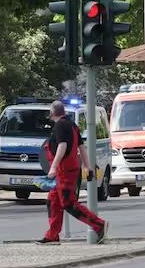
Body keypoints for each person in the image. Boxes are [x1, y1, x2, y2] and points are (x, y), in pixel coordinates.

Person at [37, 101, 107, 245]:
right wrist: (87, 167)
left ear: (52, 113)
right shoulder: (73, 126)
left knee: (69, 204)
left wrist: (53, 167)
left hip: (65, 171)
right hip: (68, 170)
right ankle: (52, 236)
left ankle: (99, 225)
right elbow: (81, 147)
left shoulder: (60, 126)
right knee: (53, 201)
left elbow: (63, 146)